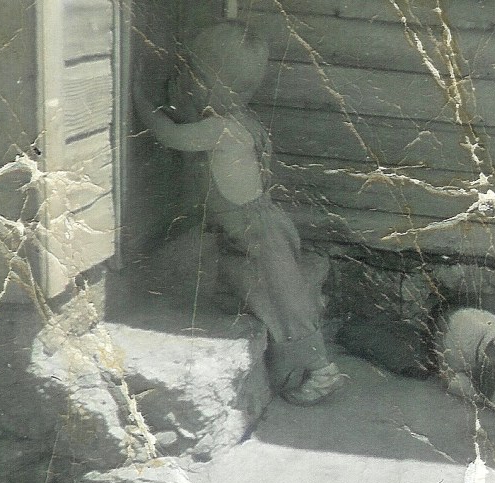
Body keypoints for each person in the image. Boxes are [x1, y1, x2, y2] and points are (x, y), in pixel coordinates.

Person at [133, 22, 346, 405]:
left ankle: (317, 370)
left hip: (253, 231)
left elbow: (171, 136)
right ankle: (310, 365)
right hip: (257, 223)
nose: (189, 82)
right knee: (270, 289)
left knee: (284, 297)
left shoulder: (219, 130)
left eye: (197, 75)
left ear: (226, 88)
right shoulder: (245, 121)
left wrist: (141, 103)